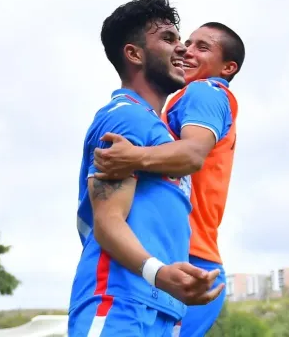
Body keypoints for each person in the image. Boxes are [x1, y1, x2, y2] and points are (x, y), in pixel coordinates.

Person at [68, 0, 225, 337]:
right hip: (119, 304)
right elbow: (108, 222)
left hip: (164, 311)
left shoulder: (165, 136)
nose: (182, 48)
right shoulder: (125, 117)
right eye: (169, 39)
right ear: (134, 54)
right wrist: (158, 273)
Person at [92, 22, 246, 336]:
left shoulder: (204, 91)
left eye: (202, 48)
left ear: (227, 67)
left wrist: (132, 157)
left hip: (189, 262)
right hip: (187, 260)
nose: (187, 51)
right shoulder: (181, 104)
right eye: (187, 43)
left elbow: (192, 155)